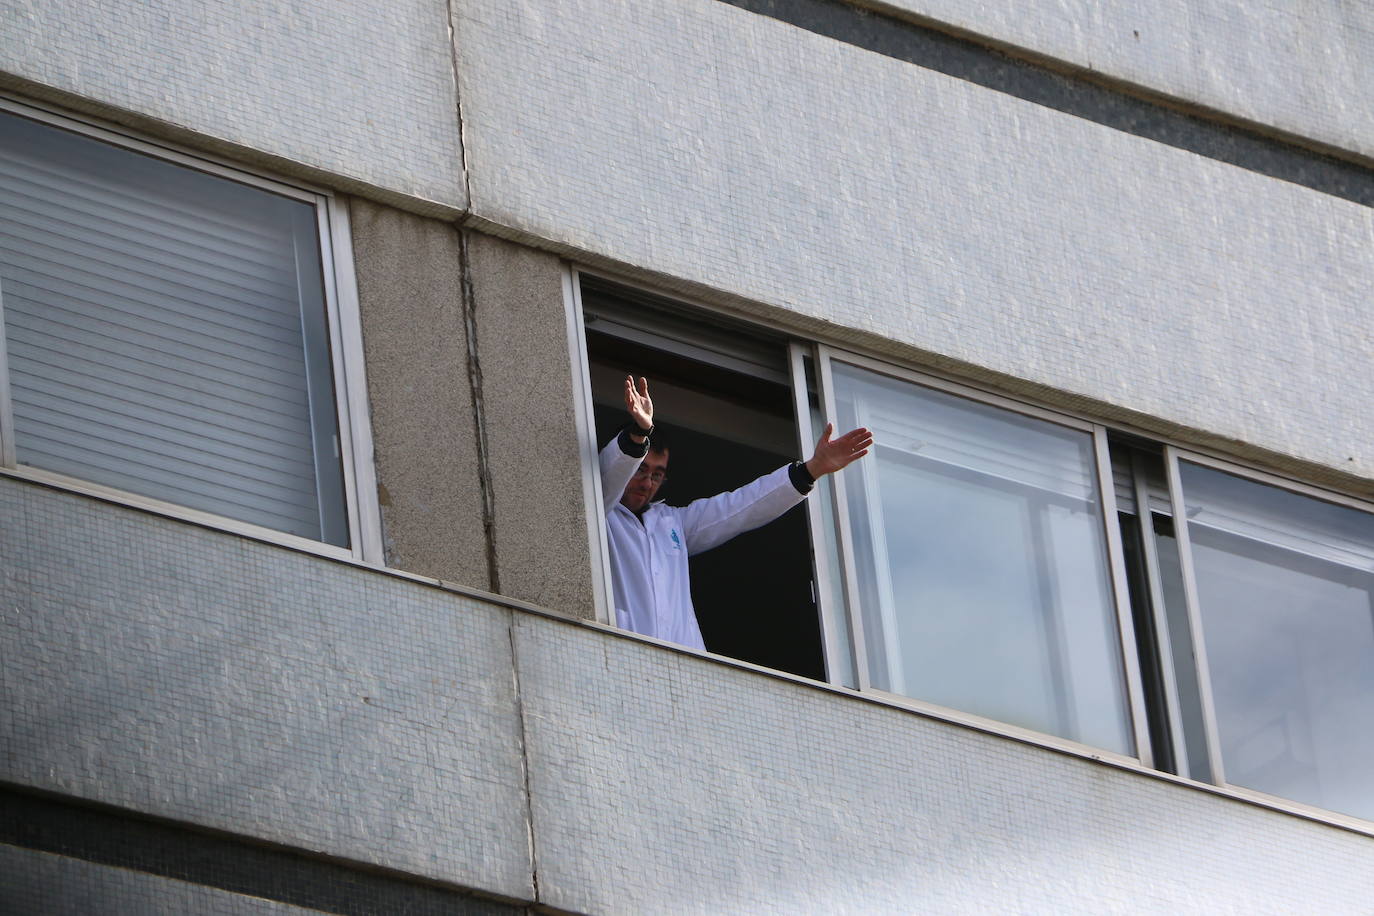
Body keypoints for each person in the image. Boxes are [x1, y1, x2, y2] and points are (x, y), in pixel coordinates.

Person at [601, 374, 873, 650]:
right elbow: (609, 473)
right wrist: (639, 434)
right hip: (624, 652)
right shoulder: (600, 510)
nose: (647, 483)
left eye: (657, 474)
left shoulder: (672, 522)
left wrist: (812, 469)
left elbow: (741, 507)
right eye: (641, 469)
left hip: (682, 668)